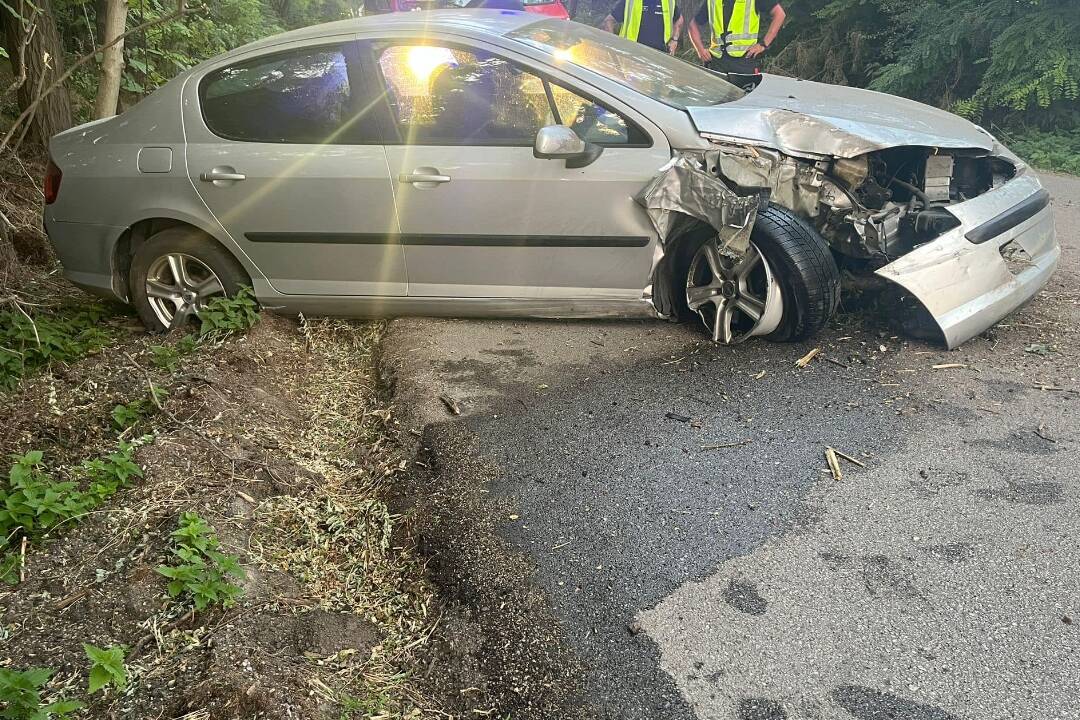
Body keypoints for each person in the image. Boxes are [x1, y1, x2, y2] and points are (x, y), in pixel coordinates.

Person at [688, 0, 785, 76]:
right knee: (716, 101)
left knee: (744, 100)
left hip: (744, 61)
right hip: (717, 62)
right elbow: (693, 25)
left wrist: (763, 44)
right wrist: (700, 50)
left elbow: (779, 14)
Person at [602, 0, 684, 55]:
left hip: (660, 57)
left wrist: (674, 40)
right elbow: (608, 21)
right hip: (631, 55)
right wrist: (612, 45)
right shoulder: (630, 2)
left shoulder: (668, 1)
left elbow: (679, 20)